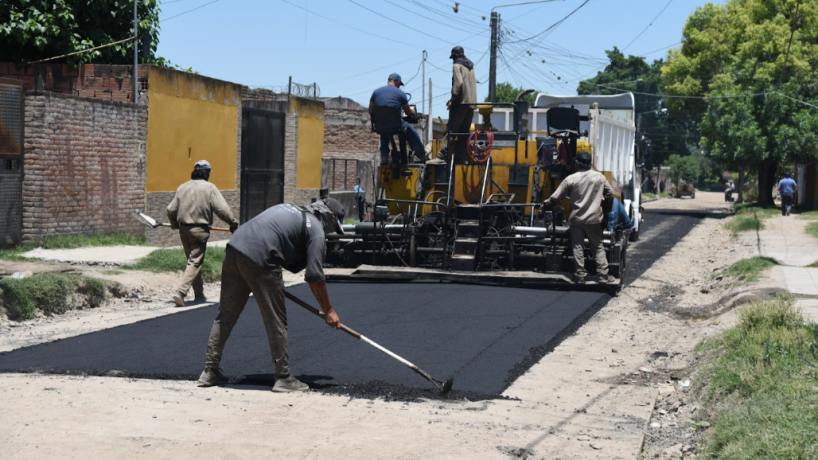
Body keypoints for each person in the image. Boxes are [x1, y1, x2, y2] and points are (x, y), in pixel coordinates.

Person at [197, 198, 345, 393]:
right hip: (262, 255)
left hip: (235, 248)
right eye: (334, 227)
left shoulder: (291, 209)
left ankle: (209, 371)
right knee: (276, 319)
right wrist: (328, 309)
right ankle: (283, 377)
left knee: (226, 314)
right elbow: (315, 276)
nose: (331, 231)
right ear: (329, 217)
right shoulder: (316, 229)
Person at [167, 160, 239, 307]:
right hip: (199, 230)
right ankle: (180, 292)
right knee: (195, 262)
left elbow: (170, 209)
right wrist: (232, 223)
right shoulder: (209, 187)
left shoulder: (182, 187)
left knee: (192, 262)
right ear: (207, 173)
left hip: (183, 230)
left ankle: (199, 294)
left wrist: (174, 223)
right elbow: (222, 209)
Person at [543, 152, 615, 283]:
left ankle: (580, 275)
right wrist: (604, 207)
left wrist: (546, 204)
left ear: (577, 163)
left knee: (578, 247)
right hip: (594, 219)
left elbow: (555, 197)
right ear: (590, 163)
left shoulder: (571, 179)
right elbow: (610, 193)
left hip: (577, 219)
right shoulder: (599, 177)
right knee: (598, 247)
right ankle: (603, 276)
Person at [369, 73, 426, 164]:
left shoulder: (376, 92)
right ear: (396, 81)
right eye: (399, 84)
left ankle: (384, 158)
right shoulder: (400, 93)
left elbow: (371, 109)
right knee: (410, 130)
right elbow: (407, 111)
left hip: (380, 125)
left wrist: (376, 121)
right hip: (396, 125)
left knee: (384, 133)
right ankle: (421, 154)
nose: (399, 86)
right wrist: (414, 115)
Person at [446, 46, 477, 164]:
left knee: (451, 131)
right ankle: (462, 158)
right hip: (471, 104)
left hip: (461, 104)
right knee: (464, 133)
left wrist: (453, 101)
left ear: (455, 56)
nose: (453, 60)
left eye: (453, 58)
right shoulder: (470, 67)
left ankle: (444, 157)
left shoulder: (457, 66)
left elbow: (458, 84)